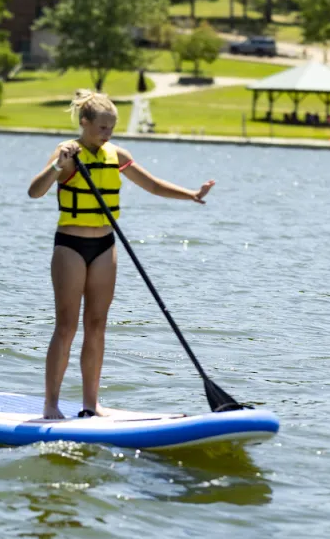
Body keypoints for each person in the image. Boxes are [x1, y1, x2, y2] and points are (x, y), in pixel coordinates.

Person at [26, 89, 216, 419]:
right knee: (67, 327)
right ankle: (51, 405)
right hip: (70, 246)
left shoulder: (117, 154)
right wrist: (59, 164)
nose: (108, 134)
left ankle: (91, 404)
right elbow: (35, 191)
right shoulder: (67, 153)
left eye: (111, 129)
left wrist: (192, 195)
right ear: (84, 123)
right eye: (102, 128)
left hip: (105, 246)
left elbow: (153, 185)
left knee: (97, 325)